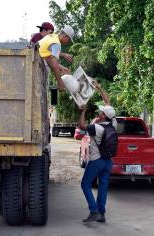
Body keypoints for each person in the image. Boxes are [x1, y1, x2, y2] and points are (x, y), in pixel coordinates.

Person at [78, 81, 117, 223]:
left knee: (85, 184)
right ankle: (102, 213)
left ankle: (94, 211)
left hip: (96, 161)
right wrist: (100, 88)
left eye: (101, 112)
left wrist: (82, 111)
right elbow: (108, 103)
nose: (99, 112)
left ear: (103, 116)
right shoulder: (113, 124)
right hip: (108, 161)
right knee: (103, 186)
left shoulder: (97, 128)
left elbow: (81, 126)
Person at [38, 25, 75, 91]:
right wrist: (60, 83)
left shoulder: (52, 36)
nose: (68, 42)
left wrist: (62, 68)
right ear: (65, 36)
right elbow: (55, 65)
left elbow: (47, 57)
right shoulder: (56, 43)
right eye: (69, 40)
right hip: (37, 67)